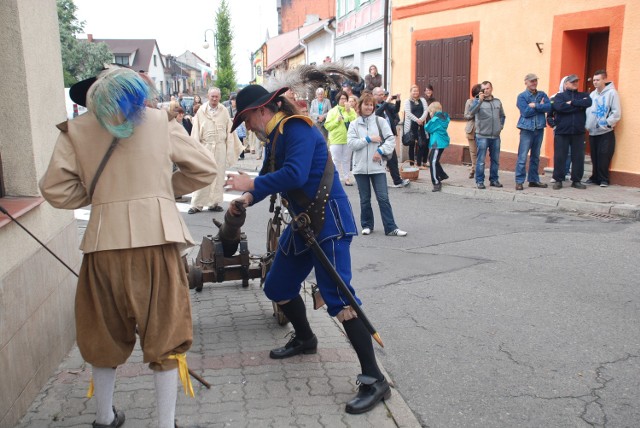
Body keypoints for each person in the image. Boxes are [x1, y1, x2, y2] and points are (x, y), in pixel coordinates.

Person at [39, 66, 216, 428]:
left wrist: (100, 196)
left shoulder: (76, 129)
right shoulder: (159, 120)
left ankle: (104, 418)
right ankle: (165, 424)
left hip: (103, 247)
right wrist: (163, 190)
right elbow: (204, 169)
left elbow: (54, 189)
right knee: (166, 332)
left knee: (101, 331)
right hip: (158, 242)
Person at [225, 82, 392, 415]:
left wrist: (253, 184)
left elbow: (294, 175)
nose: (246, 127)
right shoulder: (275, 136)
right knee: (277, 286)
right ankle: (305, 339)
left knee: (340, 300)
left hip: (328, 223)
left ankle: (376, 380)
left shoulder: (296, 129)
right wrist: (247, 196)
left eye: (245, 119)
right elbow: (268, 174)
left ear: (261, 111)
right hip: (303, 223)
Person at [348, 93, 408, 237]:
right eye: (366, 104)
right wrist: (368, 139)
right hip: (360, 167)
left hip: (377, 167)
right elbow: (352, 144)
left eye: (371, 105)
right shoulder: (354, 124)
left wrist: (380, 151)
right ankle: (367, 225)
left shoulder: (380, 121)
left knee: (383, 198)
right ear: (360, 106)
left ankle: (391, 227)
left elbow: (390, 140)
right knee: (365, 199)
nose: (369, 107)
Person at [189, 87, 242, 213]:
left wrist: (231, 149)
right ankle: (197, 204)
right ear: (208, 96)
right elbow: (195, 130)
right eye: (212, 96)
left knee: (218, 175)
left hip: (220, 148)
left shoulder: (224, 111)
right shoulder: (201, 111)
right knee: (202, 174)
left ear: (219, 97)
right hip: (205, 147)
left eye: (216, 96)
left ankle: (214, 203)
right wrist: (195, 150)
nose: (214, 99)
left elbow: (229, 131)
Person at [551, 74, 592, 189]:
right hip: (562, 131)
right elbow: (559, 107)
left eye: (576, 81)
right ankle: (558, 180)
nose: (575, 83)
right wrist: (578, 105)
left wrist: (572, 103)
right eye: (572, 82)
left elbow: (588, 102)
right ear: (566, 84)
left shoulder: (584, 95)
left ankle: (576, 180)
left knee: (578, 157)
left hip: (578, 131)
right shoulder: (559, 97)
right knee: (560, 157)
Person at [515, 73, 552, 190]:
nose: (534, 83)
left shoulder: (542, 94)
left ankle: (533, 180)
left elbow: (549, 107)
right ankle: (519, 181)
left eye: (535, 81)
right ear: (526, 82)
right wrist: (539, 108)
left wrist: (534, 105)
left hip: (539, 128)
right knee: (522, 156)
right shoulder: (522, 96)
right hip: (526, 129)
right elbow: (525, 112)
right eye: (531, 81)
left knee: (535, 156)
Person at [585, 69, 621, 187]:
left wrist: (607, 123)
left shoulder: (612, 93)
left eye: (598, 80)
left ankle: (604, 179)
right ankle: (594, 177)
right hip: (593, 131)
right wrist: (587, 125)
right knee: (594, 156)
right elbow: (588, 110)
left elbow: (616, 112)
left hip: (605, 131)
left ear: (604, 79)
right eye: (594, 80)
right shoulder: (592, 94)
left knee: (604, 155)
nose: (595, 82)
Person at [469, 81, 506, 189]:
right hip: (482, 135)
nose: (486, 90)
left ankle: (494, 180)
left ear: (491, 89)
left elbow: (502, 116)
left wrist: (501, 126)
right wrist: (479, 101)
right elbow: (471, 112)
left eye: (488, 88)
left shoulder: (497, 102)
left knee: (495, 160)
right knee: (481, 160)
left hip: (495, 136)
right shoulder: (476, 101)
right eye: (484, 89)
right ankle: (479, 181)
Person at [372, 87, 410, 188]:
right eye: (380, 94)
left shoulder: (387, 104)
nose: (382, 96)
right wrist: (386, 102)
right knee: (378, 160)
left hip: (388, 136)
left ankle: (397, 181)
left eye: (383, 94)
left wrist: (398, 101)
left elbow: (395, 110)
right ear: (374, 95)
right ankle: (375, 181)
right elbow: (377, 113)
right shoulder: (371, 105)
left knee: (392, 159)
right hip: (378, 137)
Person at [325, 91, 357, 186]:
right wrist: (336, 121)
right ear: (338, 100)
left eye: (345, 99)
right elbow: (327, 126)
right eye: (342, 99)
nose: (344, 101)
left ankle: (347, 178)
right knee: (336, 160)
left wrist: (348, 112)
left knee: (346, 160)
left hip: (348, 139)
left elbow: (355, 123)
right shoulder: (332, 111)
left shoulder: (351, 111)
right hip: (335, 139)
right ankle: (337, 178)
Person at [424, 102, 450, 192]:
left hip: (437, 143)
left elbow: (427, 128)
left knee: (433, 161)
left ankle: (436, 182)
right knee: (432, 158)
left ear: (433, 111)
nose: (429, 114)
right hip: (441, 142)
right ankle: (442, 174)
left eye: (430, 112)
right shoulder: (443, 118)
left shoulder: (435, 120)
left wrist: (429, 120)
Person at [403, 84, 429, 169]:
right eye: (414, 91)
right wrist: (417, 120)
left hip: (421, 125)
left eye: (417, 91)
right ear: (411, 92)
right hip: (411, 126)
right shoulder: (407, 101)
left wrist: (421, 119)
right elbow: (408, 112)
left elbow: (426, 110)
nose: (416, 92)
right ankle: (411, 164)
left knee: (422, 144)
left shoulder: (423, 100)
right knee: (412, 145)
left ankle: (418, 163)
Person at [463, 84, 482, 179]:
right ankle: (474, 168)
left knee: (481, 151)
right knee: (473, 151)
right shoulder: (469, 102)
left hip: (482, 129)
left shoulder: (484, 102)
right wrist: (473, 114)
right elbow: (466, 115)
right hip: (471, 129)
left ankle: (478, 169)